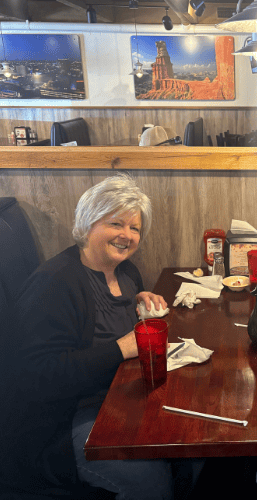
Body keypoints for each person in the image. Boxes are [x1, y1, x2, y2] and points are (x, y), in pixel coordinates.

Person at [0, 174, 203, 499]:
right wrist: (121, 349)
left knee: (190, 441)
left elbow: (111, 317)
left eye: (134, 228)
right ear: (88, 222)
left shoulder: (126, 272)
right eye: (116, 224)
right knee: (149, 479)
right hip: (62, 424)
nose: (127, 235)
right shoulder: (55, 284)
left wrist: (137, 304)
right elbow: (37, 377)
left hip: (116, 399)